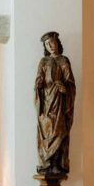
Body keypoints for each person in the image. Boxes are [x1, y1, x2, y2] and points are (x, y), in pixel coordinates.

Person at [34, 32, 76, 176]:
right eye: (47, 44)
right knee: (46, 130)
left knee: (59, 130)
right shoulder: (43, 61)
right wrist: (38, 84)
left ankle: (57, 163)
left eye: (52, 42)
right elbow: (39, 79)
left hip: (59, 101)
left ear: (57, 43)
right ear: (45, 47)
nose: (51, 46)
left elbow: (70, 82)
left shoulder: (64, 60)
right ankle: (47, 163)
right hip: (46, 103)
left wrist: (65, 88)